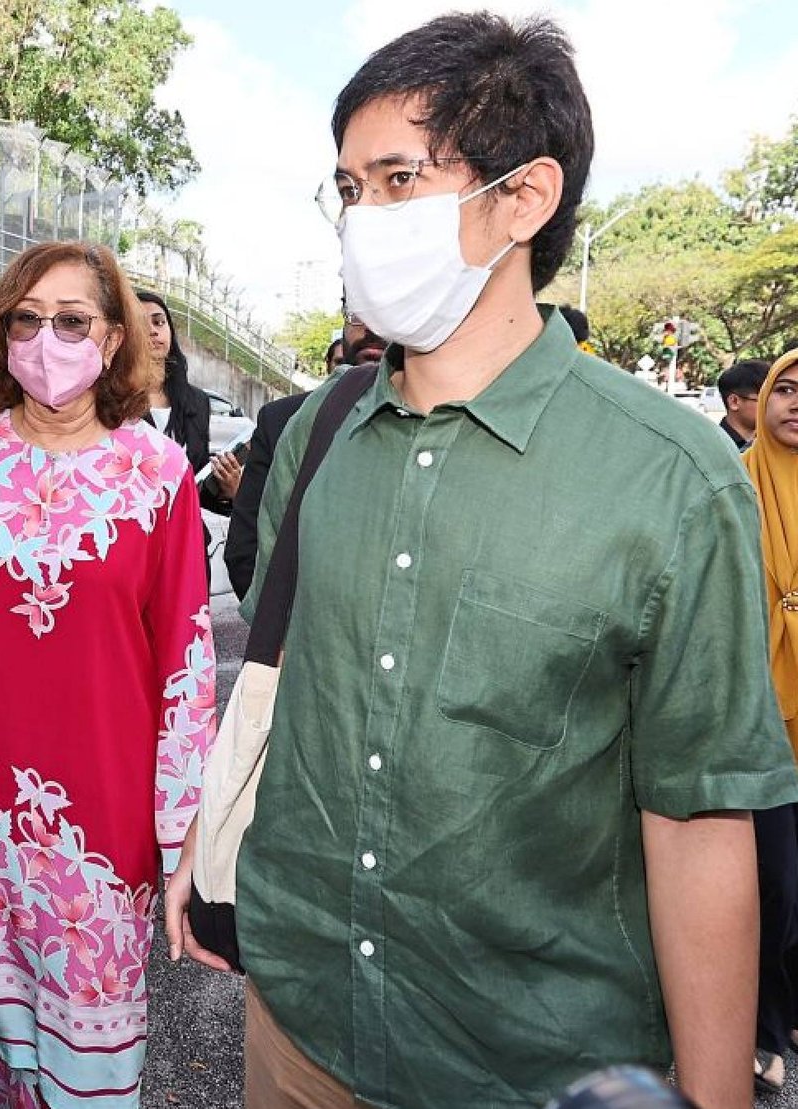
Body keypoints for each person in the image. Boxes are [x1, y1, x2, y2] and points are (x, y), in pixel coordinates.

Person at [167, 13, 798, 1109]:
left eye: (397, 179)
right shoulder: (316, 431)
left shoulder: (673, 478)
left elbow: (698, 825)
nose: (362, 220)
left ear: (523, 197)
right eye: (347, 188)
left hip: (532, 1065)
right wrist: (214, 848)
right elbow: (275, 683)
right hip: (296, 1018)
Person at [0, 241, 216, 1109]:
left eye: (71, 320)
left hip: (101, 823)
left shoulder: (157, 472)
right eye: (25, 319)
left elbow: (186, 663)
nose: (45, 338)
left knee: (90, 1061)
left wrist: (186, 840)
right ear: (0, 334)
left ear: (111, 339)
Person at [225, 310, 385, 600]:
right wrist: (278, 632)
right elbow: (245, 549)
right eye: (358, 313)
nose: (372, 328)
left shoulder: (449, 421)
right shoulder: (282, 419)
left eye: (389, 310)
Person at [741, 351, 798, 1094]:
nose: (795, 402)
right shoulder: (729, 482)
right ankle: (760, 1023)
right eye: (784, 388)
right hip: (754, 710)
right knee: (771, 882)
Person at [136, 288, 242, 502]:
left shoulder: (197, 401)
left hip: (186, 529)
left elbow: (196, 484)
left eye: (159, 322)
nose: (153, 331)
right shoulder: (111, 399)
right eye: (139, 324)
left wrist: (227, 488)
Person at [718, 358, 770, 450]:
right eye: (765, 400)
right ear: (734, 402)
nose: (774, 407)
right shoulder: (714, 446)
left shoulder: (773, 444)